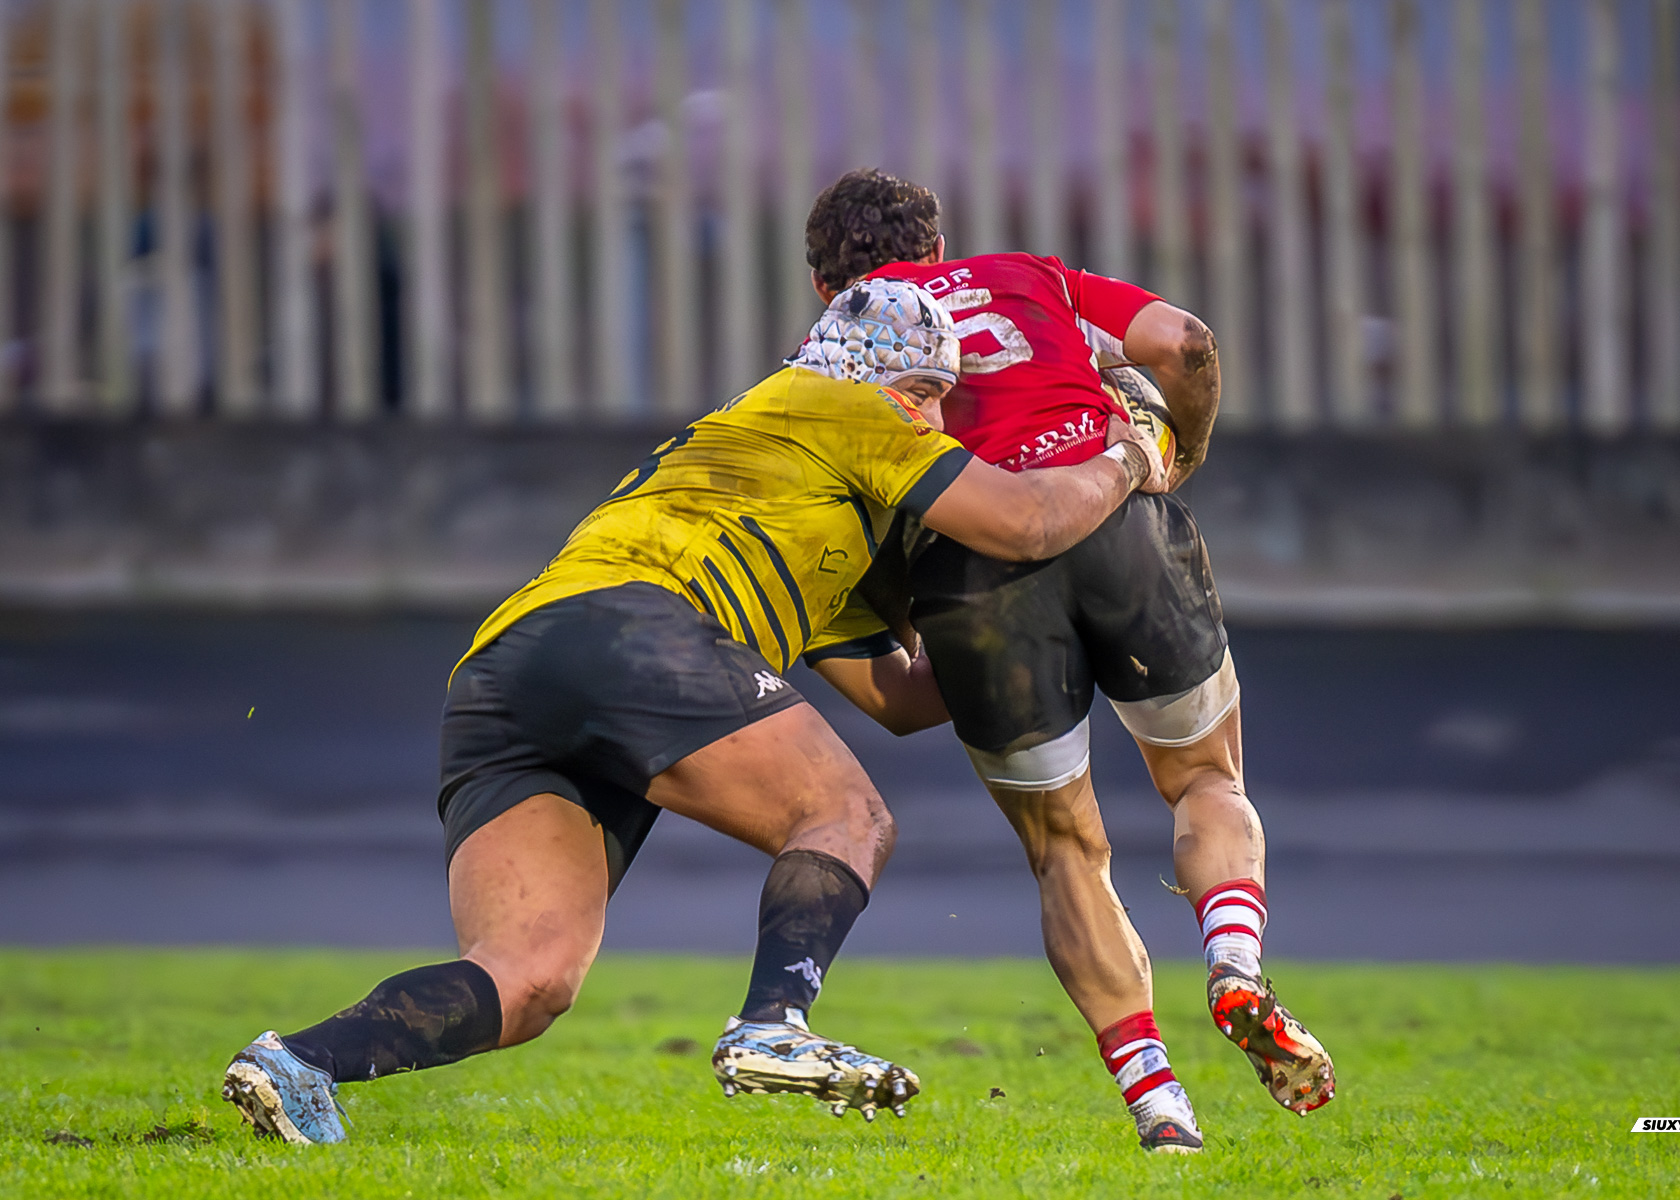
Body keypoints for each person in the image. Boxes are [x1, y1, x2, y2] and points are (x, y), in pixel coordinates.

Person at [219, 278, 1167, 1145]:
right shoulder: (844, 406)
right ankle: (773, 1025)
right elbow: (1027, 518)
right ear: (884, 377)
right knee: (848, 816)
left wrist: (1055, 651)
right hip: (631, 626)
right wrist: (1129, 456)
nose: (934, 422)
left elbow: (907, 699)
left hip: (508, 667)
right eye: (927, 396)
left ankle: (301, 1062)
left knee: (532, 975)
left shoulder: (788, 477)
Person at [800, 170, 1336, 1155]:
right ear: (937, 241)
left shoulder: (822, 360)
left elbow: (842, 536)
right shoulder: (1019, 274)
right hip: (1117, 513)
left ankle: (1158, 1101)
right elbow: (1185, 343)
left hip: (970, 576)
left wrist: (905, 623)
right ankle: (1236, 969)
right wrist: (1184, 452)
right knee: (1205, 778)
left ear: (823, 280)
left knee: (1064, 851)